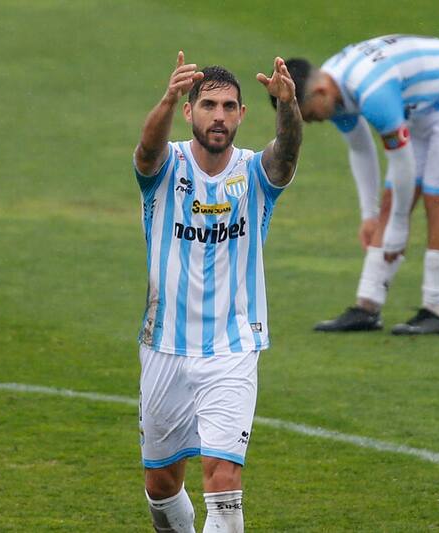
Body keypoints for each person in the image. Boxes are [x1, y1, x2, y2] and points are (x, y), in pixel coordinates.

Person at [133, 52, 301, 532]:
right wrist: (166, 97)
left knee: (223, 480)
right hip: (165, 345)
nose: (220, 116)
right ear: (190, 112)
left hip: (233, 346)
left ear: (243, 115)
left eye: (230, 106)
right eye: (208, 105)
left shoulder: (254, 175)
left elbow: (287, 154)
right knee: (161, 486)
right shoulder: (167, 168)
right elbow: (146, 151)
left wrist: (287, 106)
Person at [278, 35, 439, 335]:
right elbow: (360, 148)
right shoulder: (332, 86)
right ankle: (367, 308)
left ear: (319, 91)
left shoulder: (372, 93)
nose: (312, 122)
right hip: (426, 103)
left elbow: (401, 161)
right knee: (392, 199)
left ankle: (434, 310)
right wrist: (369, 215)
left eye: (310, 115)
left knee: (437, 196)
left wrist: (398, 227)